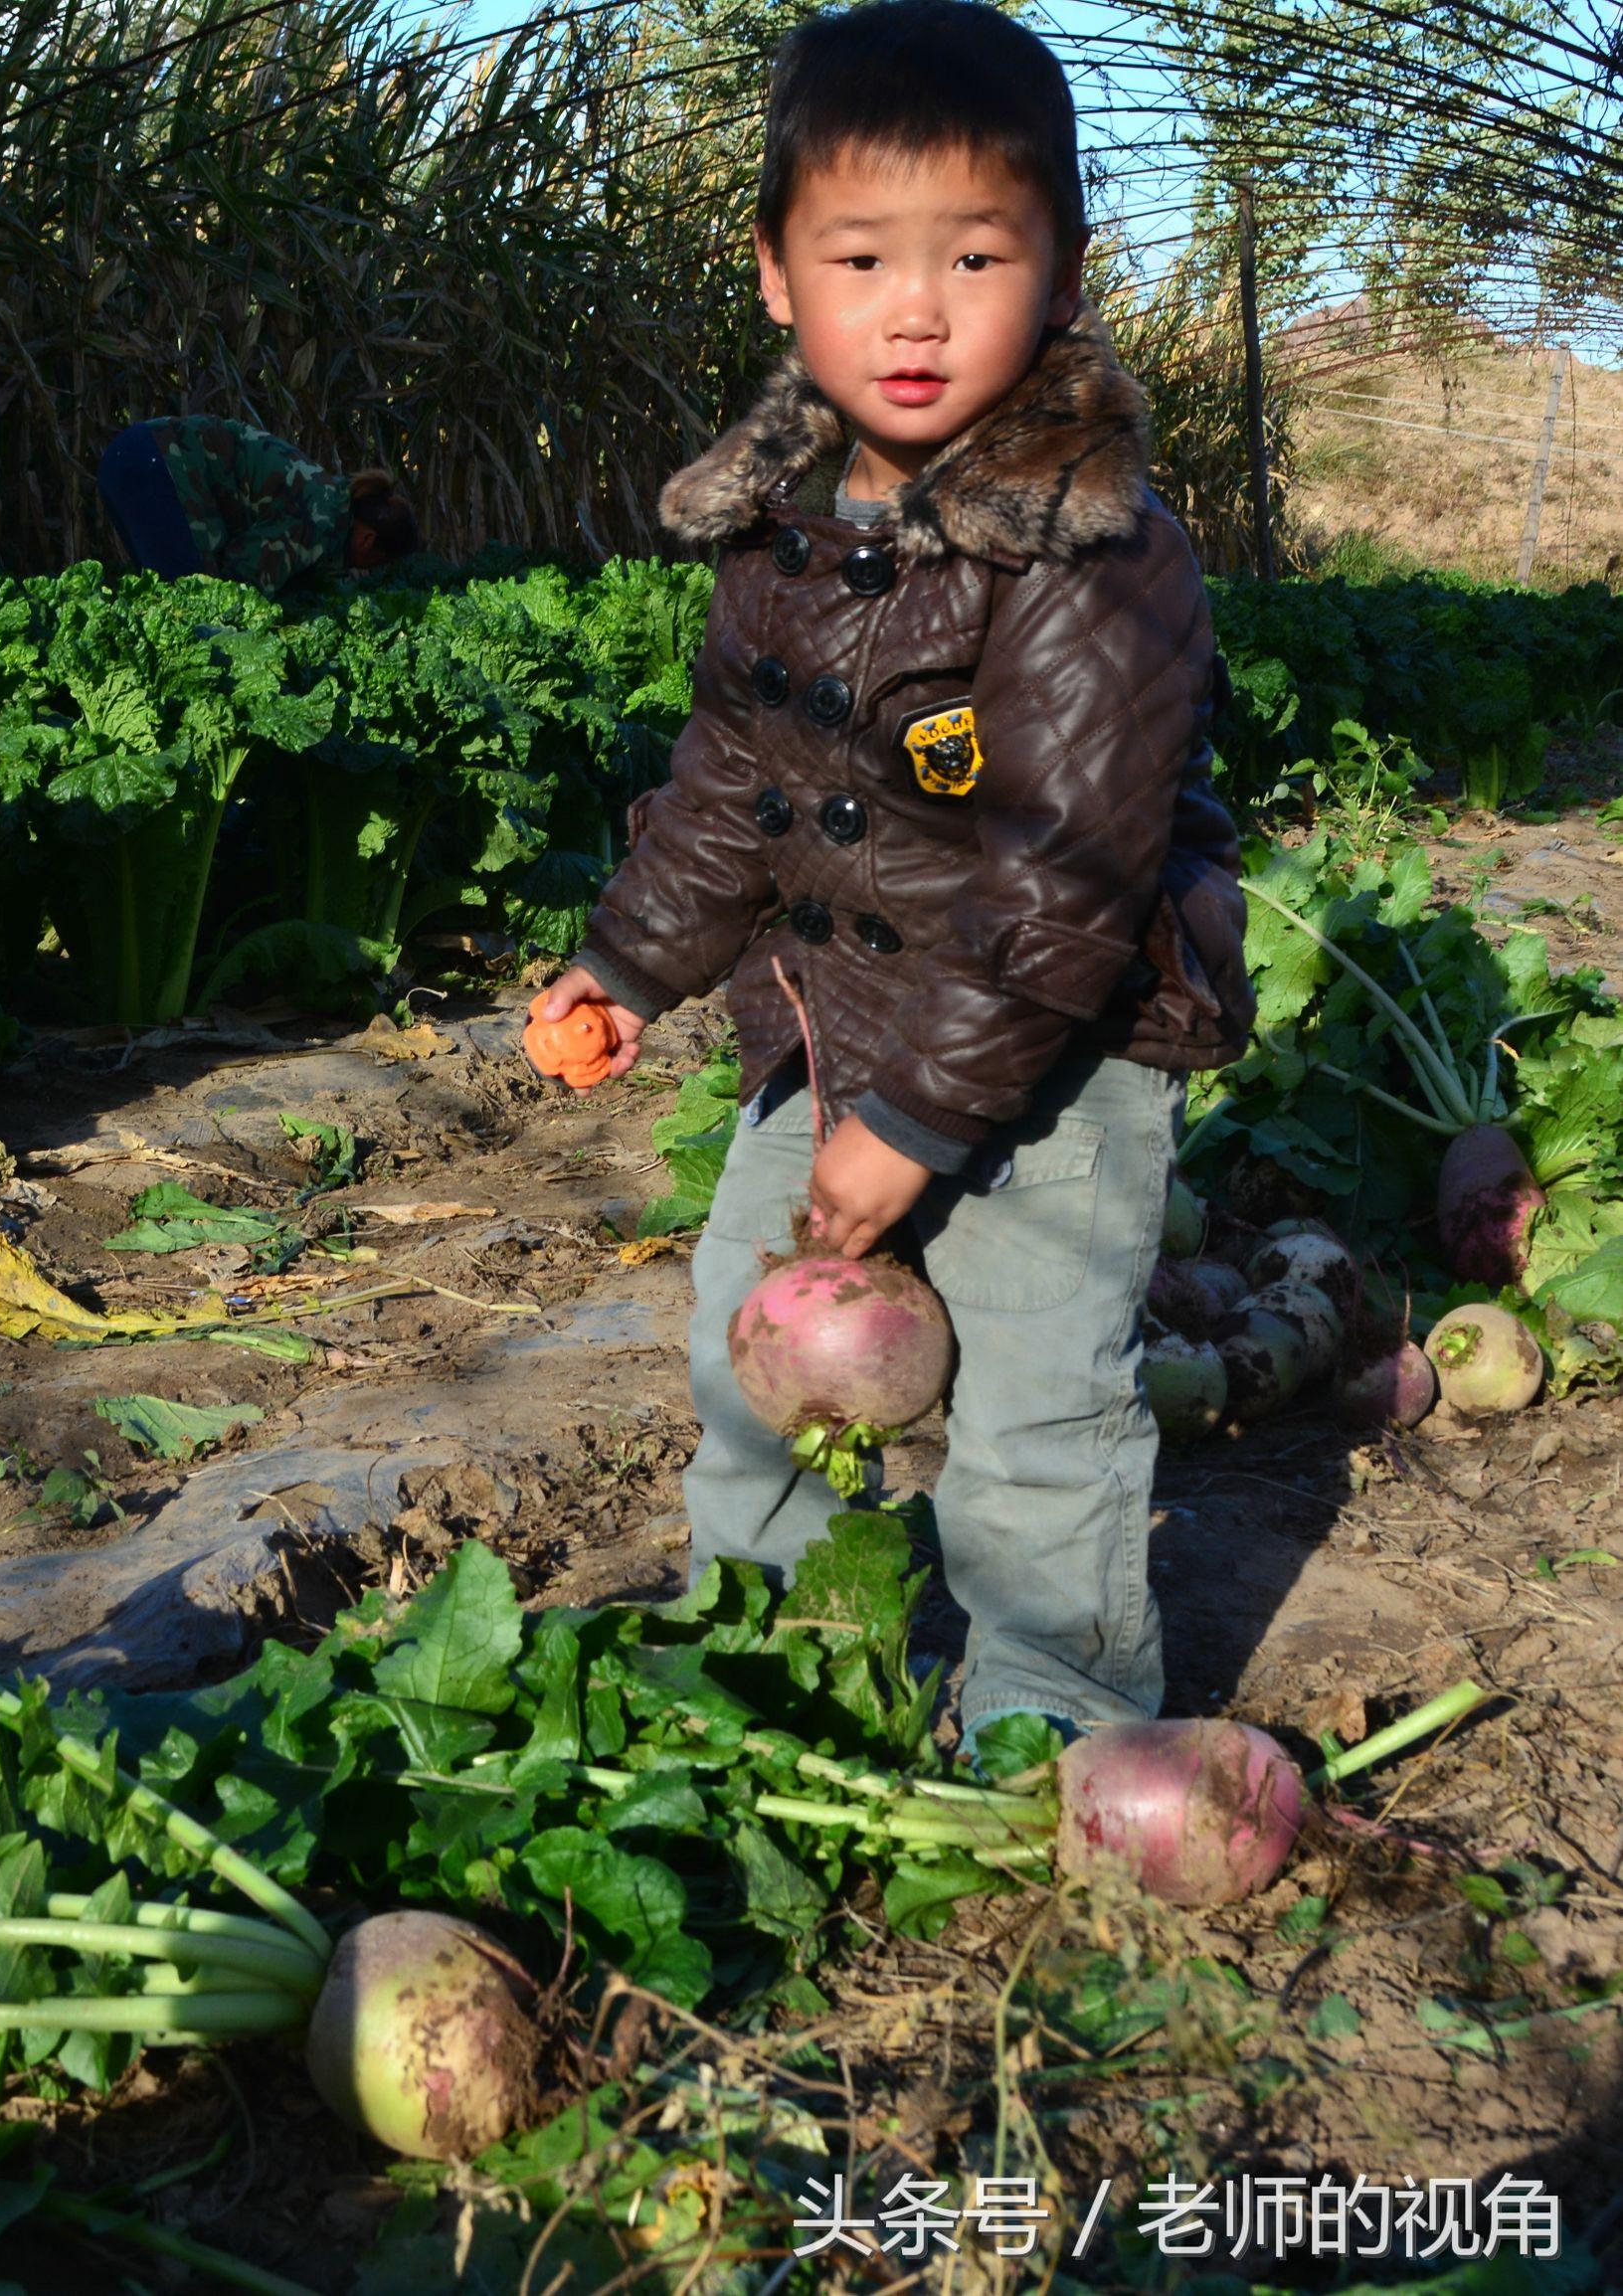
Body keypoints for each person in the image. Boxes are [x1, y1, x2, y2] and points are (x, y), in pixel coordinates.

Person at [532, 0, 1255, 1767]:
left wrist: (920, 1120)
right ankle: (757, 1660)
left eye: (977, 254)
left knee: (1035, 1404)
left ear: (1064, 272)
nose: (916, 307)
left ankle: (1050, 1706)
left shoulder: (1095, 554)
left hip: (1062, 1059)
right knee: (747, 1346)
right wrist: (626, 964)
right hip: (833, 1026)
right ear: (780, 274)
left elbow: (1070, 885)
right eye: (863, 255)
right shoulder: (782, 534)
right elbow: (726, 783)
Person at [95, 415, 421, 592]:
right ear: (367, 540)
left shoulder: (330, 498)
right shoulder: (320, 522)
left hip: (133, 454)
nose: (363, 571)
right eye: (374, 564)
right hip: (156, 467)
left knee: (166, 597)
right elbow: (243, 575)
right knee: (198, 602)